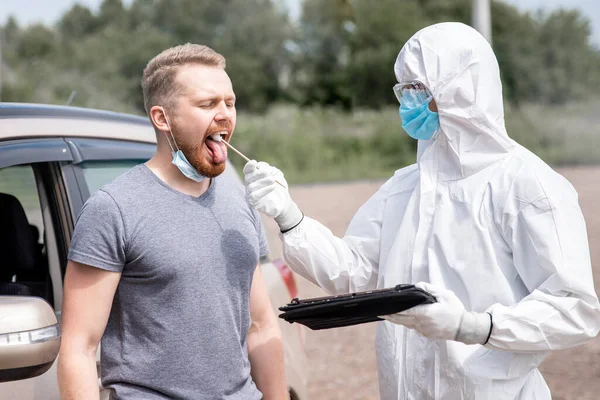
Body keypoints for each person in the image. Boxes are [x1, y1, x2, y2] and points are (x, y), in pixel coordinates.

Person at [243, 22, 600, 399]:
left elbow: (574, 308)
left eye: (419, 89)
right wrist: (289, 217)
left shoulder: (528, 186)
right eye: (404, 89)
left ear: (461, 92)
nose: (407, 101)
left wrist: (471, 326)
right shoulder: (405, 186)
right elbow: (354, 273)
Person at [58, 44, 287, 400]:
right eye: (208, 104)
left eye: (230, 102)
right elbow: (80, 349)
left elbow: (260, 325)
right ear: (162, 118)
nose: (225, 114)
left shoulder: (239, 198)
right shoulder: (114, 209)